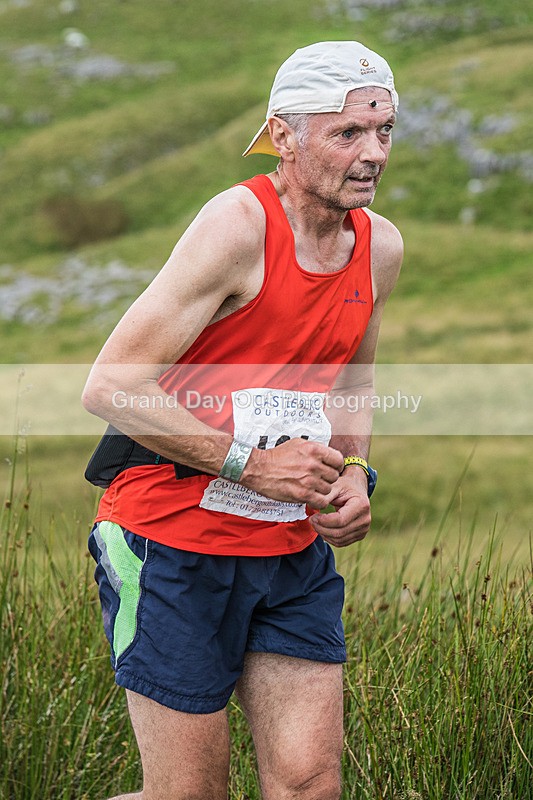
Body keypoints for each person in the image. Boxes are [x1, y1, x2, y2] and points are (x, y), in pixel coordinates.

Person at [82, 40, 403, 800]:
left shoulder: (379, 246)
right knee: (189, 794)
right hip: (169, 543)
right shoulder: (237, 224)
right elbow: (110, 384)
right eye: (348, 133)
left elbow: (352, 377)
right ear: (284, 135)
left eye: (385, 130)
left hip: (288, 548)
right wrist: (248, 464)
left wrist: (354, 472)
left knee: (307, 786)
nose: (373, 155)